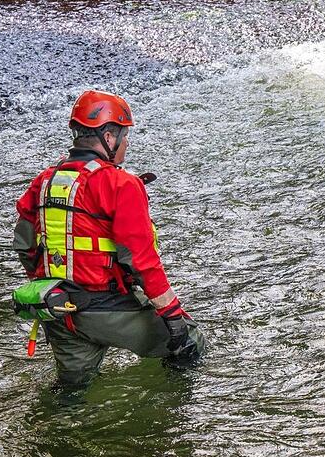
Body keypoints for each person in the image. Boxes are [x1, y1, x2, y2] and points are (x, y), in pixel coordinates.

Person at [12, 90, 205, 386]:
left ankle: (61, 425)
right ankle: (174, 419)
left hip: (57, 307)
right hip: (106, 306)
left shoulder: (45, 180)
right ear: (109, 137)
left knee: (72, 390)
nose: (126, 144)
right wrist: (173, 316)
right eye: (125, 136)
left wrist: (45, 284)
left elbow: (25, 245)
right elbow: (141, 261)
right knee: (191, 341)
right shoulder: (120, 183)